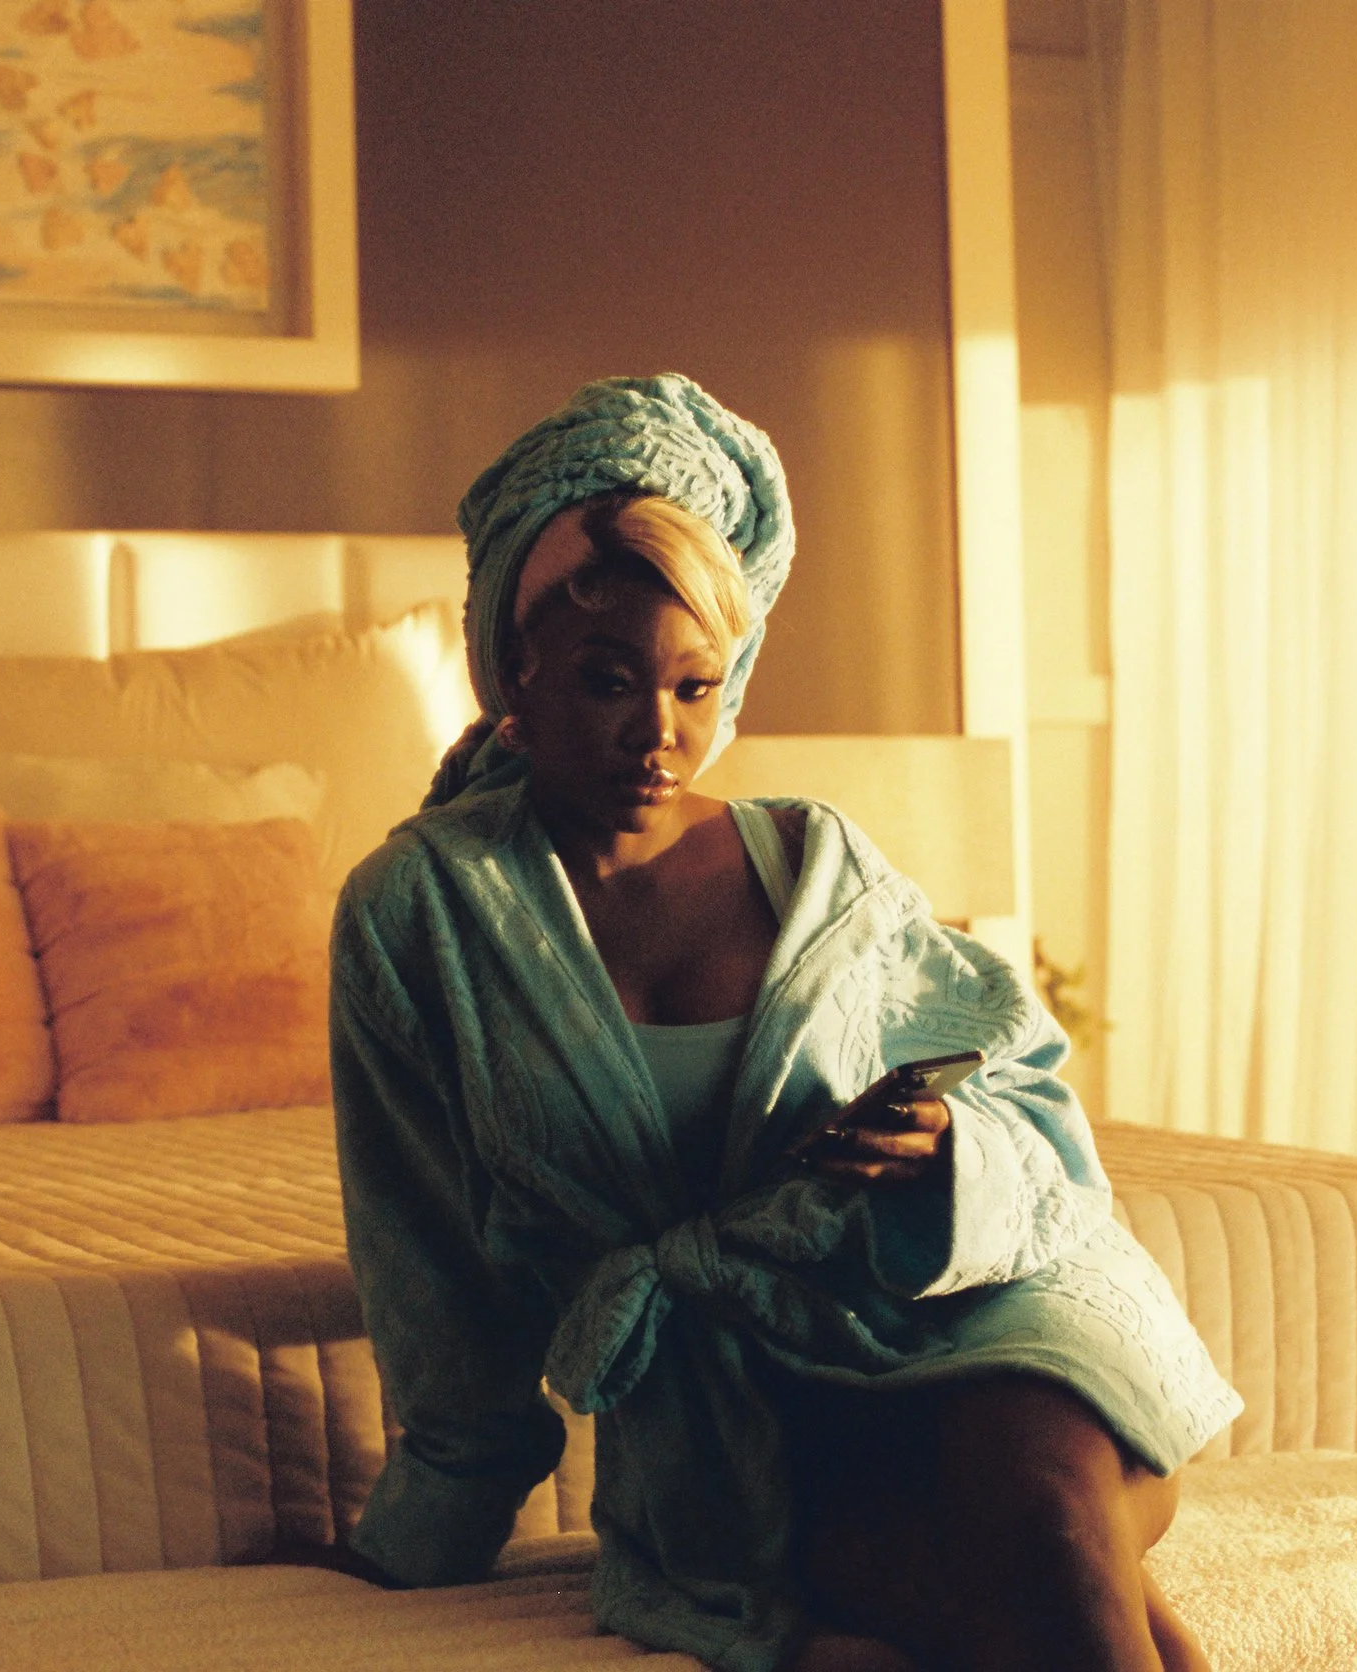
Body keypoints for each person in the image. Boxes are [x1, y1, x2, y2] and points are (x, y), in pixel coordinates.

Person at [326, 375, 1240, 1671]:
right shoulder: (420, 912)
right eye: (607, 681)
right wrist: (432, 1520)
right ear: (512, 669)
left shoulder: (816, 863)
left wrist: (942, 1149)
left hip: (978, 1318)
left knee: (1042, 1516)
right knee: (1057, 1601)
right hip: (750, 1415)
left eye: (696, 687)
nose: (658, 734)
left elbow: (1027, 1088)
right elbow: (427, 1255)